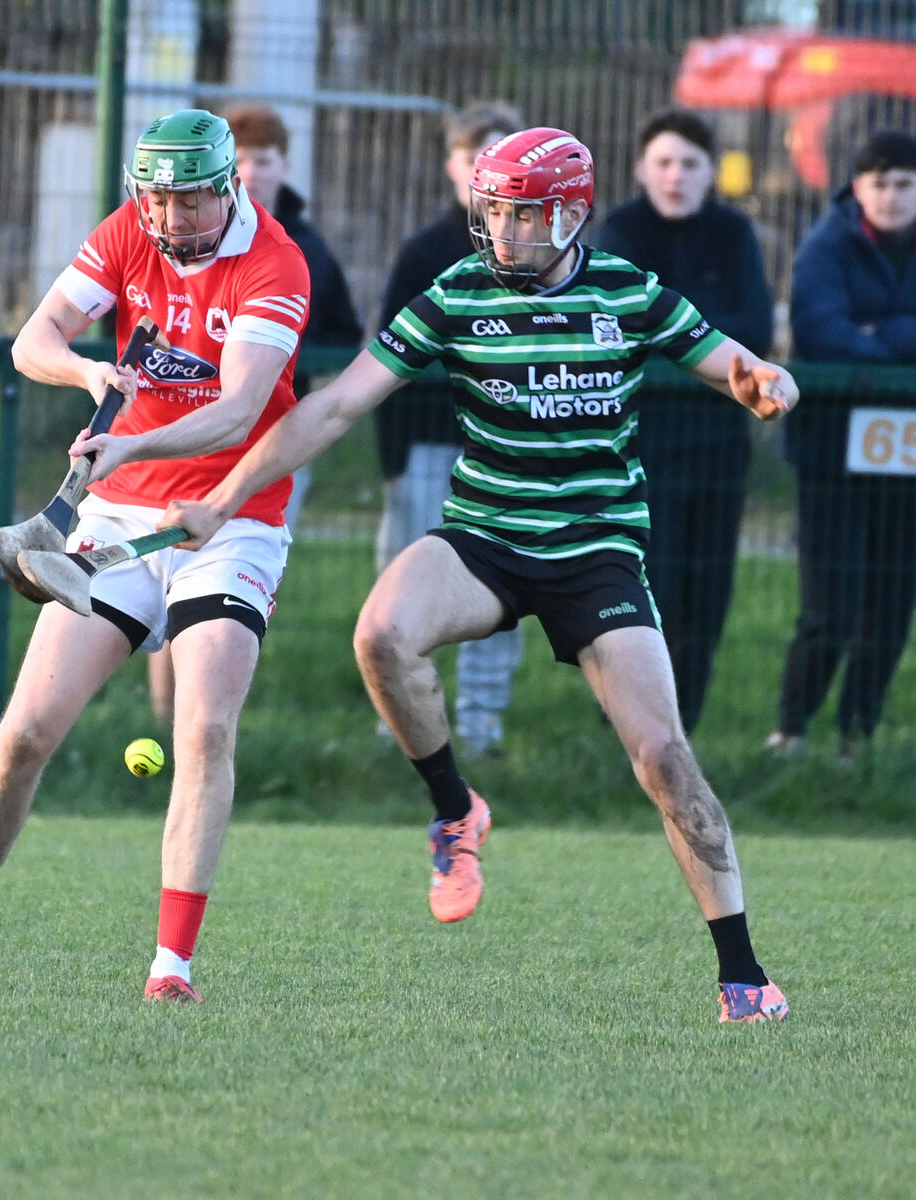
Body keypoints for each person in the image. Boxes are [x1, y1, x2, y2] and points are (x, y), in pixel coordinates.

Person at [156, 127, 797, 1023]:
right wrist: (226, 497)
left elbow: (732, 363)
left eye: (523, 215)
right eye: (492, 212)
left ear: (570, 214)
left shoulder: (628, 290)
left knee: (663, 757)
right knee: (381, 633)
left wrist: (763, 381)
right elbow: (336, 406)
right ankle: (456, 810)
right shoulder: (457, 294)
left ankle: (744, 979)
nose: (502, 231)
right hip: (484, 537)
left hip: (595, 552)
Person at [0, 109, 311, 1003]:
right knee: (24, 734)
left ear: (229, 188)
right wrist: (91, 375)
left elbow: (240, 409)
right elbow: (33, 340)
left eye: (189, 203)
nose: (170, 220)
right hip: (119, 516)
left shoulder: (274, 263)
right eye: (156, 201)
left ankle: (171, 970)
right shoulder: (128, 232)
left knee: (202, 730)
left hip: (231, 518)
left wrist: (129, 446)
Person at [146, 102, 362, 726]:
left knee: (233, 583)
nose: (251, 171)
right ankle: (165, 715)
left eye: (263, 159)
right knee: (170, 570)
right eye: (239, 159)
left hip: (271, 446)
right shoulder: (174, 241)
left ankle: (211, 710)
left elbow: (343, 335)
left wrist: (279, 363)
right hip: (188, 433)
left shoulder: (302, 248)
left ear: (284, 166)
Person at [595, 109, 774, 734]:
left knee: (707, 590)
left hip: (720, 443)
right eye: (664, 163)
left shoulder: (734, 233)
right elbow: (621, 329)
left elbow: (755, 332)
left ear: (710, 172)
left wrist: (674, 337)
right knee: (651, 587)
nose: (676, 176)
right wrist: (706, 343)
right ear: (642, 169)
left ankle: (683, 730)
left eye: (690, 164)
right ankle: (628, 726)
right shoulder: (621, 231)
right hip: (640, 446)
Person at [374, 100, 526, 758]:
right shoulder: (425, 253)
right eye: (474, 158)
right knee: (410, 593)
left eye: (501, 156)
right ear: (452, 166)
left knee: (499, 590)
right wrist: (394, 465)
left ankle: (482, 722)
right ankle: (403, 724)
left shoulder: (538, 257)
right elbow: (383, 368)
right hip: (428, 452)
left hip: (505, 461)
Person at [765, 129, 916, 761]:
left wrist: (880, 333)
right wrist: (896, 347)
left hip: (905, 457)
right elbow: (821, 330)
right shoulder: (824, 246)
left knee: (891, 605)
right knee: (830, 606)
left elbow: (852, 336)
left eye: (904, 183)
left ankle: (857, 736)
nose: (892, 195)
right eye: (880, 183)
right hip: (830, 453)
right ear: (857, 187)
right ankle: (792, 728)